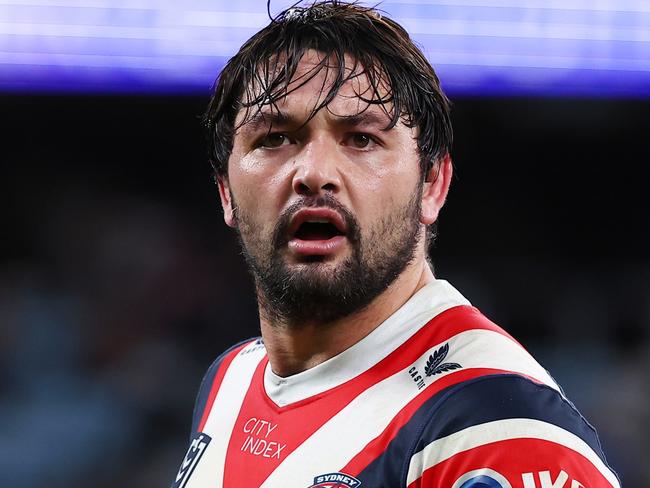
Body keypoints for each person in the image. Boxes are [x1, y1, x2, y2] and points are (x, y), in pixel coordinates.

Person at [172, 2, 619, 487]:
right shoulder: (232, 379)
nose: (315, 173)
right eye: (276, 137)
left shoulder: (495, 429)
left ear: (431, 185)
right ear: (226, 193)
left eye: (361, 139)